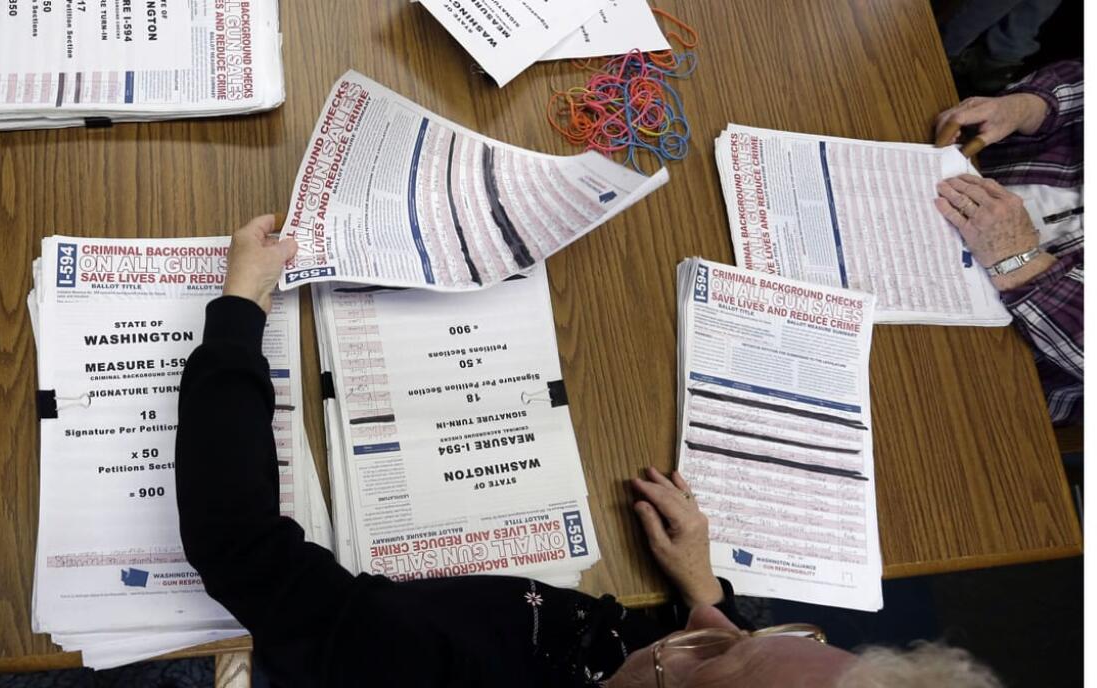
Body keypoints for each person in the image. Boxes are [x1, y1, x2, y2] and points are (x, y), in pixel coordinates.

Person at [175, 216, 1003, 687]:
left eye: (709, 648)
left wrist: (239, 307)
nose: (712, 623)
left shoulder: (431, 664)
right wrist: (701, 591)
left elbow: (241, 548)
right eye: (791, 637)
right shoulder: (684, 636)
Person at [934, 60, 1083, 426]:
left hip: (998, 361)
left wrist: (1019, 262)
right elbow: (1080, 82)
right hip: (962, 177)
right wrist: (1026, 107)